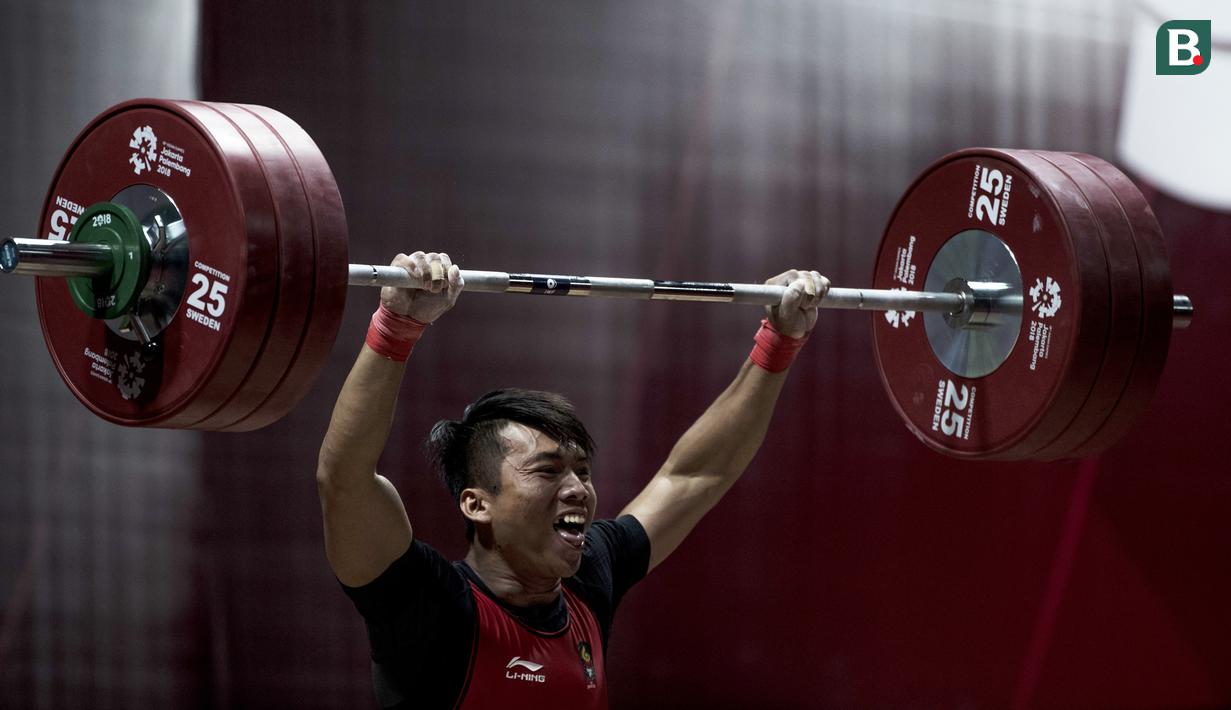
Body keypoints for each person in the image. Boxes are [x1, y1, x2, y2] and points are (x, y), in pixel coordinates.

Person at [317, 251, 828, 709]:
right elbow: (344, 479)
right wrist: (396, 326)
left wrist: (779, 342)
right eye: (547, 470)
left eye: (582, 471)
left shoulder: (588, 578)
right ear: (477, 504)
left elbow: (694, 476)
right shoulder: (430, 611)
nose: (578, 490)